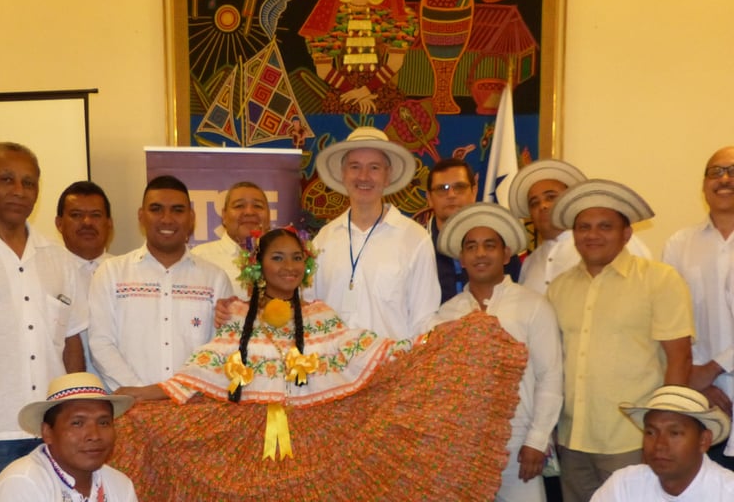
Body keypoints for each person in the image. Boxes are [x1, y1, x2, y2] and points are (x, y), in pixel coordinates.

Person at [108, 227, 529, 500]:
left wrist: (441, 344)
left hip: (315, 439)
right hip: (245, 442)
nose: (288, 267)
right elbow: (205, 369)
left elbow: (369, 352)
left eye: (296, 258)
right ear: (258, 265)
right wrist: (143, 395)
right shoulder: (237, 314)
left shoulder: (320, 316)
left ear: (306, 267)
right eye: (277, 258)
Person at [546, 179, 695, 502]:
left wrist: (664, 434)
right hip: (572, 439)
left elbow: (679, 359)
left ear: (627, 234)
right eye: (583, 227)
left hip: (633, 438)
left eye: (605, 226)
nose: (592, 235)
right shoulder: (559, 288)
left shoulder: (659, 280)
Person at [0, 142, 88, 502]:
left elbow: (71, 343)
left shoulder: (59, 259)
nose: (19, 191)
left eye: (29, 183)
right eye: (6, 179)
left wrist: (75, 418)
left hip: (52, 432)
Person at [433, 202, 563, 502]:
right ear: (461, 259)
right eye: (472, 247)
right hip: (460, 448)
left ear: (506, 255)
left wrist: (537, 440)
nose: (480, 254)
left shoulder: (533, 306)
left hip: (518, 443)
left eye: (489, 246)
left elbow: (551, 376)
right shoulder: (446, 314)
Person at [87, 175, 233, 392]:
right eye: (156, 209)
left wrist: (176, 392)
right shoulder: (111, 273)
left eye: (177, 210)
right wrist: (140, 391)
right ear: (141, 215)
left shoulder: (215, 278)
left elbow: (221, 349)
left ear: (191, 217)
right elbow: (100, 343)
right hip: (130, 407)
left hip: (194, 411)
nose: (167, 219)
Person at [305, 126, 440, 339]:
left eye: (374, 168)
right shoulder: (324, 238)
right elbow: (309, 309)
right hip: (330, 369)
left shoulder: (415, 239)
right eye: (355, 167)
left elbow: (423, 319)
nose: (364, 176)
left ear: (388, 176)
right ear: (343, 175)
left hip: (390, 368)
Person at [663, 146, 734, 468]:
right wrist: (693, 379)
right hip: (698, 396)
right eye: (716, 172)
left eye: (733, 171)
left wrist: (712, 369)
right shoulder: (679, 244)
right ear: (703, 184)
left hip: (707, 375)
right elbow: (668, 319)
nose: (725, 179)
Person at [507, 159, 652, 295]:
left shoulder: (611, 242)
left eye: (551, 197)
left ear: (570, 201)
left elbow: (647, 291)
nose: (543, 205)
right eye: (534, 203)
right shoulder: (530, 263)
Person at [0, 372, 137, 501]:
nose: (94, 435)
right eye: (77, 423)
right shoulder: (23, 482)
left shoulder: (120, 485)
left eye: (103, 423)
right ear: (47, 433)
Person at [591, 385, 734, 501]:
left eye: (674, 433)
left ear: (703, 441)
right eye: (650, 433)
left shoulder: (727, 493)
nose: (659, 445)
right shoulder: (624, 486)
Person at [425, 158, 521, 303]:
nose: (451, 195)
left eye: (459, 187)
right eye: (441, 189)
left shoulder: (500, 246)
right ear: (429, 198)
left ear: (474, 191)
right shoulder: (416, 249)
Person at [55, 181, 114, 375]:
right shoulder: (46, 275)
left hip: (127, 394)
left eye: (96, 215)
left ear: (109, 223)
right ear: (59, 223)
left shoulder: (128, 274)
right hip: (64, 394)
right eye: (76, 215)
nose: (87, 222)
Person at [191, 181, 270, 300]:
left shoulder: (286, 259)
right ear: (224, 216)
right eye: (239, 206)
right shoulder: (200, 257)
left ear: (269, 216)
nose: (249, 212)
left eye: (258, 206)